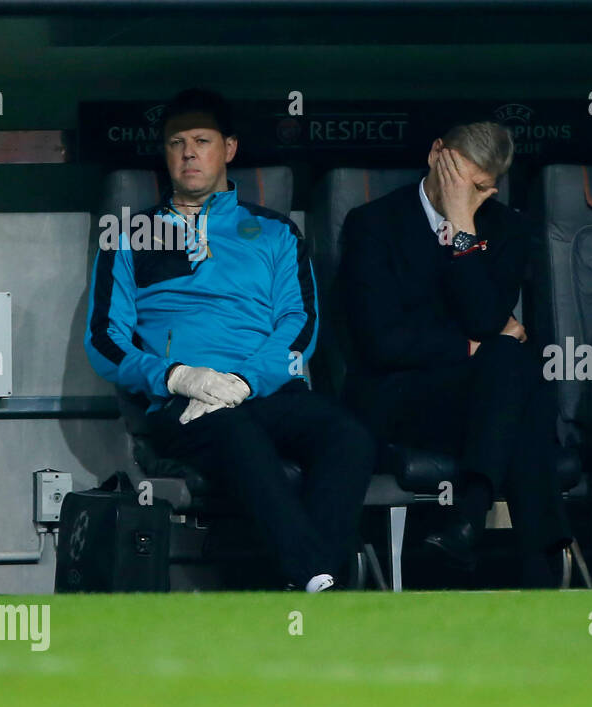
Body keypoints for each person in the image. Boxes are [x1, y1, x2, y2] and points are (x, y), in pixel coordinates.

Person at [86, 87, 375, 593]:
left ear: (230, 149)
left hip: (267, 391)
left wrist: (244, 380)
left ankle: (314, 577)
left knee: (347, 435)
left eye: (202, 141)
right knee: (235, 431)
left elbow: (300, 324)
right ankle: (317, 580)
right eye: (176, 143)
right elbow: (105, 341)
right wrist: (178, 376)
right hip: (185, 404)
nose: (189, 153)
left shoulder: (275, 232)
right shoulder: (130, 236)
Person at [339, 122, 574, 575]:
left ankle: (471, 516)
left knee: (510, 364)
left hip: (479, 398)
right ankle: (536, 561)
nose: (471, 196)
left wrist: (462, 229)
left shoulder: (506, 228)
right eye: (463, 183)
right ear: (436, 155)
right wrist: (470, 346)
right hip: (398, 397)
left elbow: (484, 318)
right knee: (514, 376)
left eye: (483, 189)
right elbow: (380, 342)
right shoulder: (373, 224)